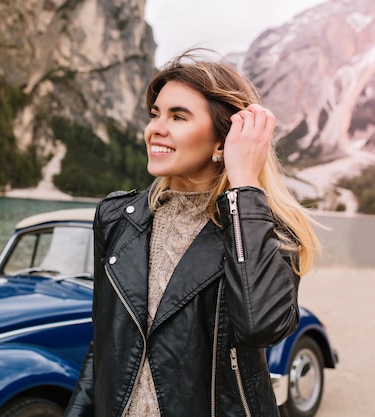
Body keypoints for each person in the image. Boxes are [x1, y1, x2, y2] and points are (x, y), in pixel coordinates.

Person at [64, 49, 321, 417]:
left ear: (223, 141)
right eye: (155, 114)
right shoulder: (116, 217)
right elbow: (103, 343)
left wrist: (246, 185)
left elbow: (260, 326)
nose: (156, 128)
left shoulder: (267, 229)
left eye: (178, 116)